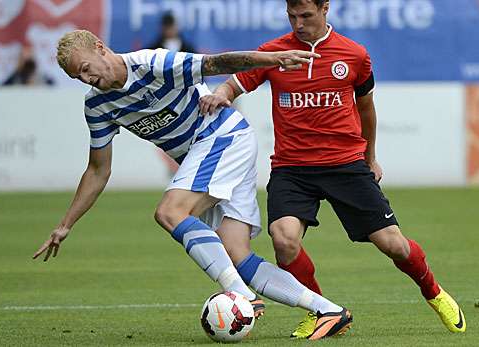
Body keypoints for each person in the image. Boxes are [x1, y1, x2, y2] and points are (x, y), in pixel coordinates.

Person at [32, 29, 353, 340]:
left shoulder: (150, 63)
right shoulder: (97, 106)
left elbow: (218, 63)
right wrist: (65, 225)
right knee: (236, 255)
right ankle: (327, 310)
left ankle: (242, 296)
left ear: (100, 47)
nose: (88, 80)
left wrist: (273, 59)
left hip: (221, 137)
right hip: (213, 150)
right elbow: (98, 170)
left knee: (171, 212)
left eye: (86, 69)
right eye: (79, 78)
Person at [200, 0, 466, 338]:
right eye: (292, 16)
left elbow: (367, 109)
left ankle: (433, 292)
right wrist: (220, 93)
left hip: (346, 166)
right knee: (283, 240)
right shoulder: (275, 53)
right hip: (292, 168)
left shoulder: (354, 55)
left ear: (325, 9)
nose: (298, 23)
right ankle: (323, 311)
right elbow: (235, 83)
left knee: (393, 245)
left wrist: (370, 158)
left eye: (306, 15)